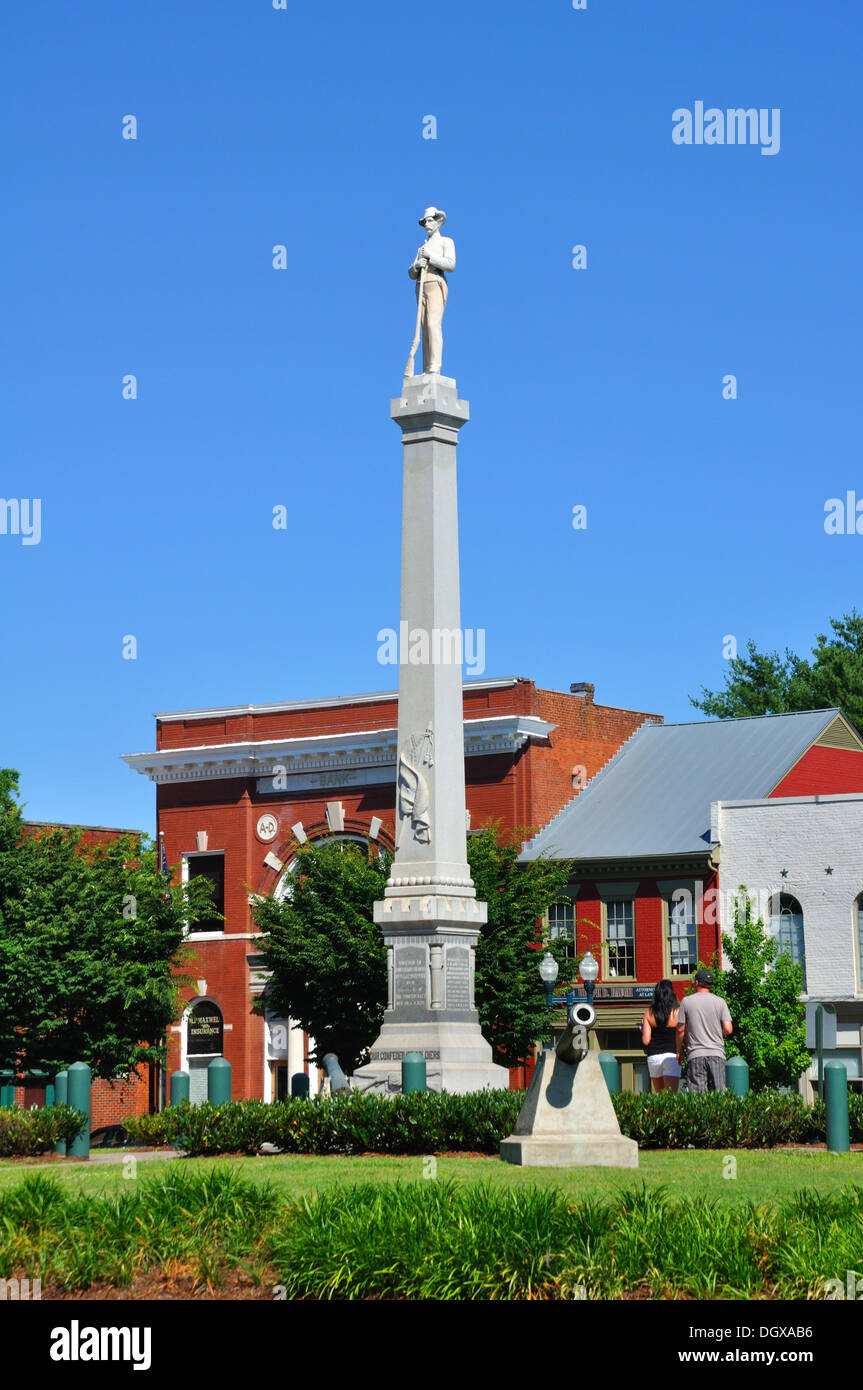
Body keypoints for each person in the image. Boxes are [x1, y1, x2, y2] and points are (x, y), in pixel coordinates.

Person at [408, 207, 456, 375]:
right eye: (425, 222)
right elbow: (411, 273)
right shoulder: (422, 247)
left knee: (433, 324)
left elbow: (450, 264)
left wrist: (431, 257)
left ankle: (435, 365)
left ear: (438, 222)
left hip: (436, 282)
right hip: (421, 284)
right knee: (424, 328)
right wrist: (416, 266)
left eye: (430, 221)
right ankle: (427, 367)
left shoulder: (446, 242)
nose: (427, 224)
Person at [676, 969, 733, 1092]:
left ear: (696, 982)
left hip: (696, 1053)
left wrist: (679, 1050)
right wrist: (717, 1032)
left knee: (698, 1096)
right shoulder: (720, 1001)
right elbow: (728, 1029)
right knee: (720, 1094)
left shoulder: (686, 1001)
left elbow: (680, 1030)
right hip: (717, 1053)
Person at [641, 979, 681, 1092]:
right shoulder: (677, 1013)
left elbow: (646, 1040)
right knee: (671, 1096)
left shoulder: (649, 1014)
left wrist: (642, 1030)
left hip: (654, 1057)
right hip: (671, 1056)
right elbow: (682, 1033)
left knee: (660, 1096)